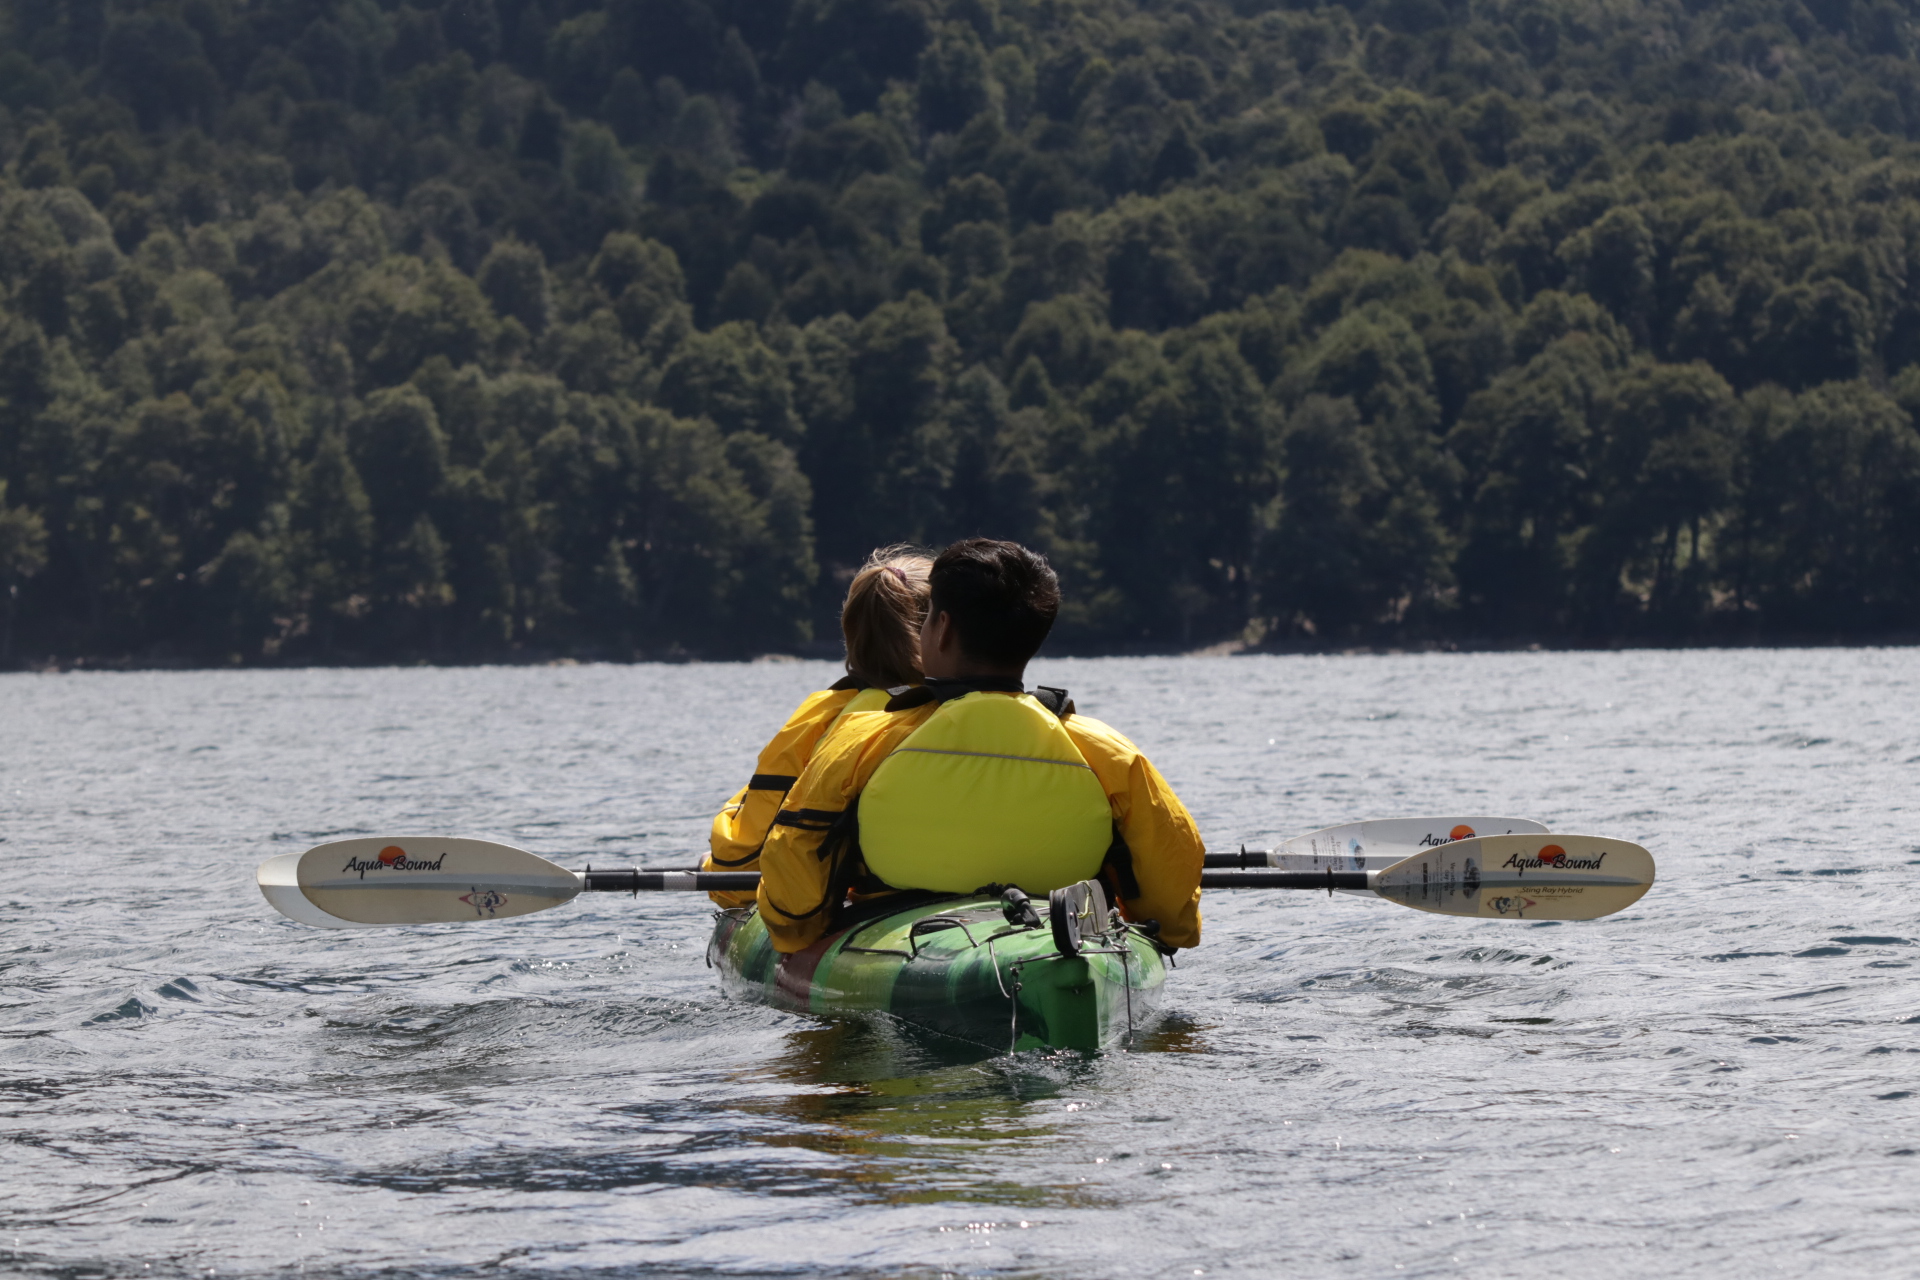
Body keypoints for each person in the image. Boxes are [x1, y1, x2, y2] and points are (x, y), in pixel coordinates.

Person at [755, 538, 1204, 953]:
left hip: (895, 935)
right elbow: (1174, 894)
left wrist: (792, 931)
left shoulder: (863, 738)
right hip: (1055, 934)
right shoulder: (1107, 750)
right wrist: (1159, 930)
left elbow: (793, 907)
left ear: (942, 629)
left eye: (928, 616)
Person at [702, 545, 932, 907]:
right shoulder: (981, 709)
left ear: (852, 629)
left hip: (863, 903)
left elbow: (739, 867)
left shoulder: (823, 718)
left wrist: (713, 871)